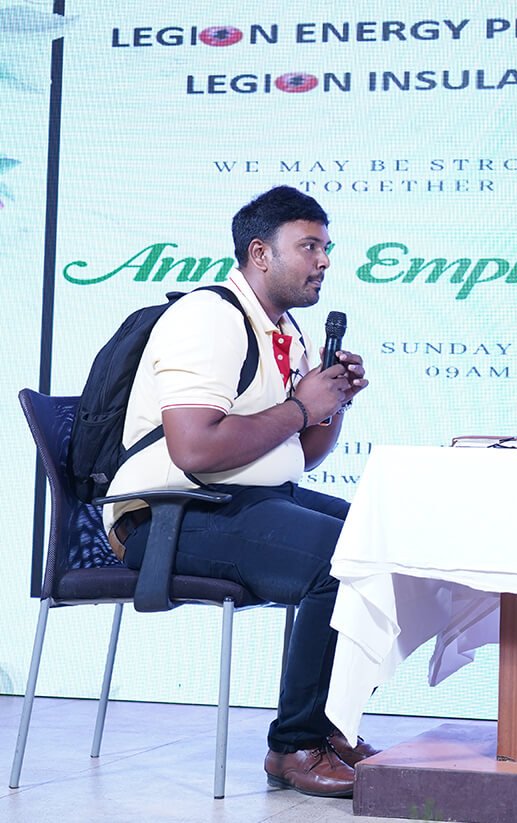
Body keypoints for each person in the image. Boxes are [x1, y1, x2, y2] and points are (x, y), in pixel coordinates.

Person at [102, 185, 376, 798]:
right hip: (166, 513)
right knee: (340, 559)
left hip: (244, 498)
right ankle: (295, 746)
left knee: (381, 543)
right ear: (260, 253)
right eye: (309, 247)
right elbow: (195, 450)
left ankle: (332, 729)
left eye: (326, 247)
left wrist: (331, 404)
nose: (325, 261)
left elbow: (298, 454)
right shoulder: (209, 317)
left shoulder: (286, 330)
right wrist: (301, 407)